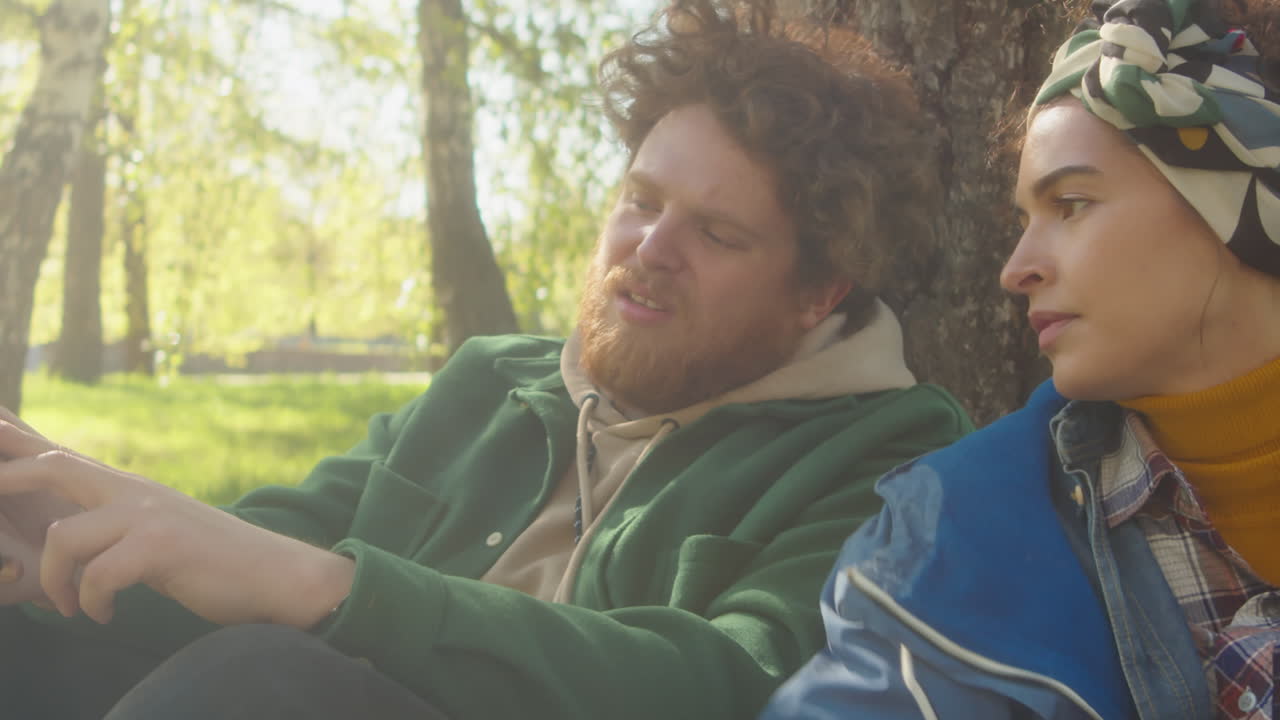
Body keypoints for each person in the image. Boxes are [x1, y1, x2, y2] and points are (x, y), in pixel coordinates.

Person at [0, 1, 971, 718]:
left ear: (818, 291)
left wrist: (330, 593)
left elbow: (736, 682)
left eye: (715, 233)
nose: (648, 248)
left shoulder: (890, 453)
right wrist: (64, 541)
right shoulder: (493, 382)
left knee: (263, 682)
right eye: (640, 200)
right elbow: (255, 551)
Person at [760, 0, 1280, 718]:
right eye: (1024, 220)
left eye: (1071, 203)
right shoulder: (946, 544)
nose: (1015, 270)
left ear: (1236, 205)